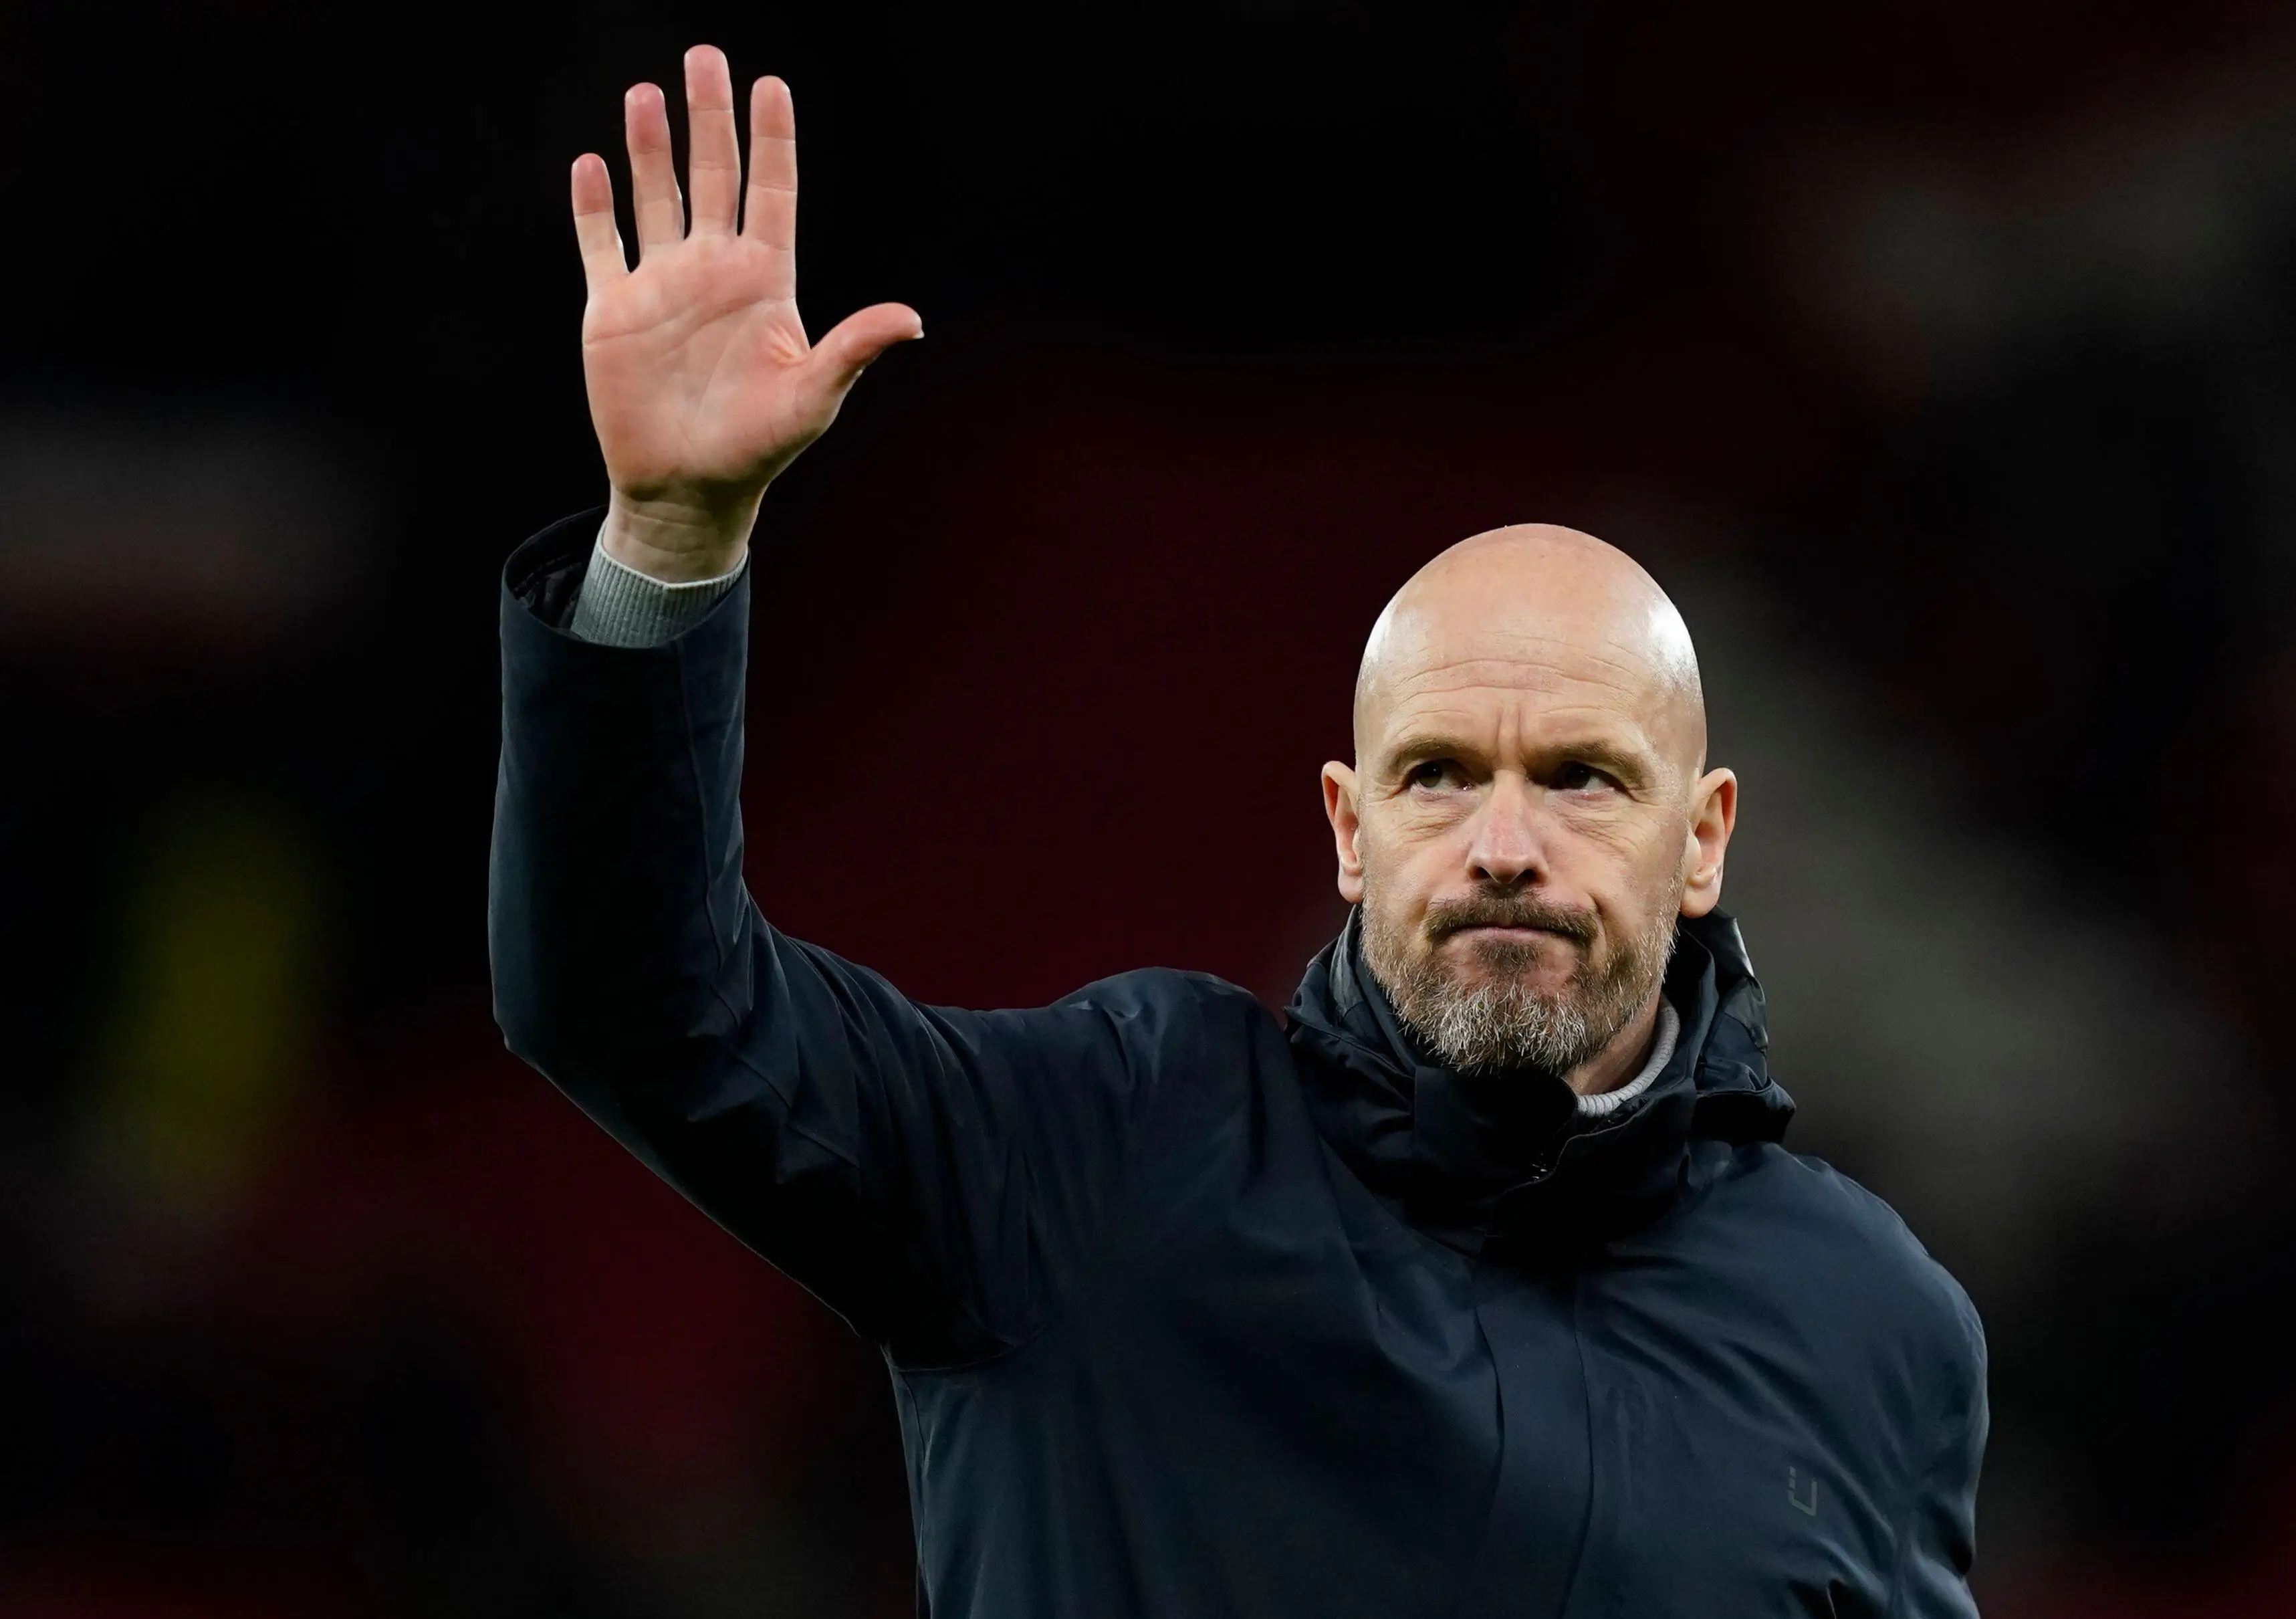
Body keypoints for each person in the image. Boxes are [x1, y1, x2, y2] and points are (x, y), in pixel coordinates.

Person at [489, 44, 1986, 1618]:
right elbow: (640, 1007)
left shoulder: (1871, 1320)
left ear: (1703, 838)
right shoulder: (1109, 1147)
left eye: (1581, 778)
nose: (1502, 841)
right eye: (1436, 774)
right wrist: (665, 549)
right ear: (1347, 829)